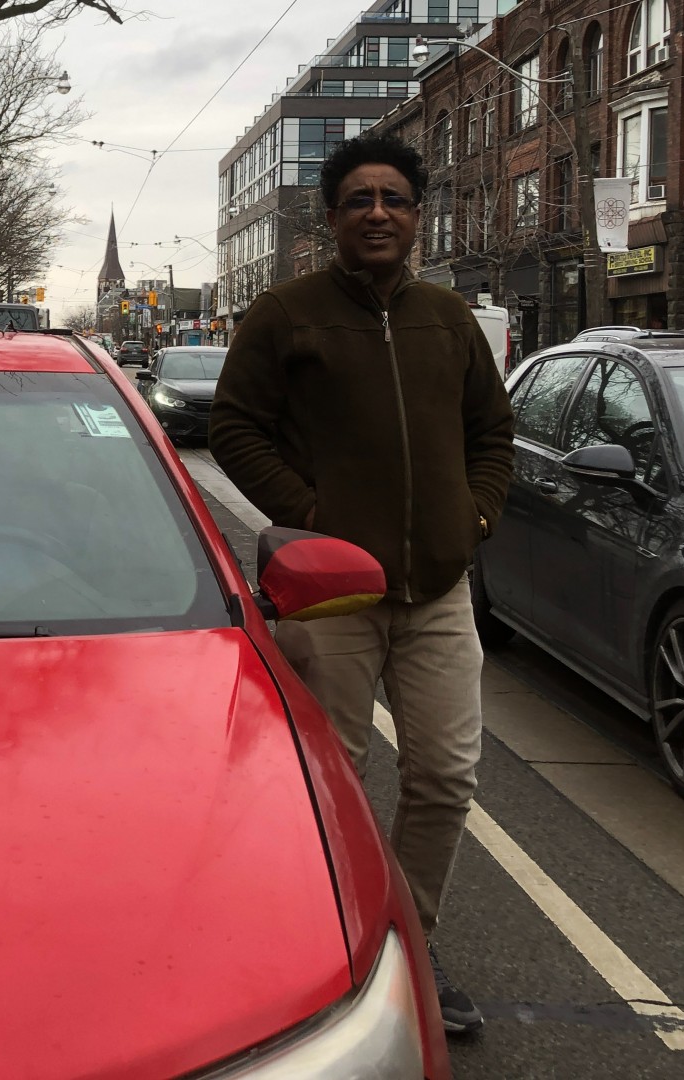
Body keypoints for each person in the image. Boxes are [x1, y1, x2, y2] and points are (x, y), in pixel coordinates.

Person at [208, 131, 514, 1036]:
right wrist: (315, 521)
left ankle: (408, 946)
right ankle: (318, 947)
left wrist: (477, 518)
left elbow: (492, 436)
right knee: (331, 780)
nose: (378, 213)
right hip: (332, 594)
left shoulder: (449, 320)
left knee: (447, 775)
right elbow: (235, 428)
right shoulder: (285, 312)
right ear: (331, 218)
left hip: (438, 595)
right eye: (359, 201)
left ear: (417, 217)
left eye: (395, 200)